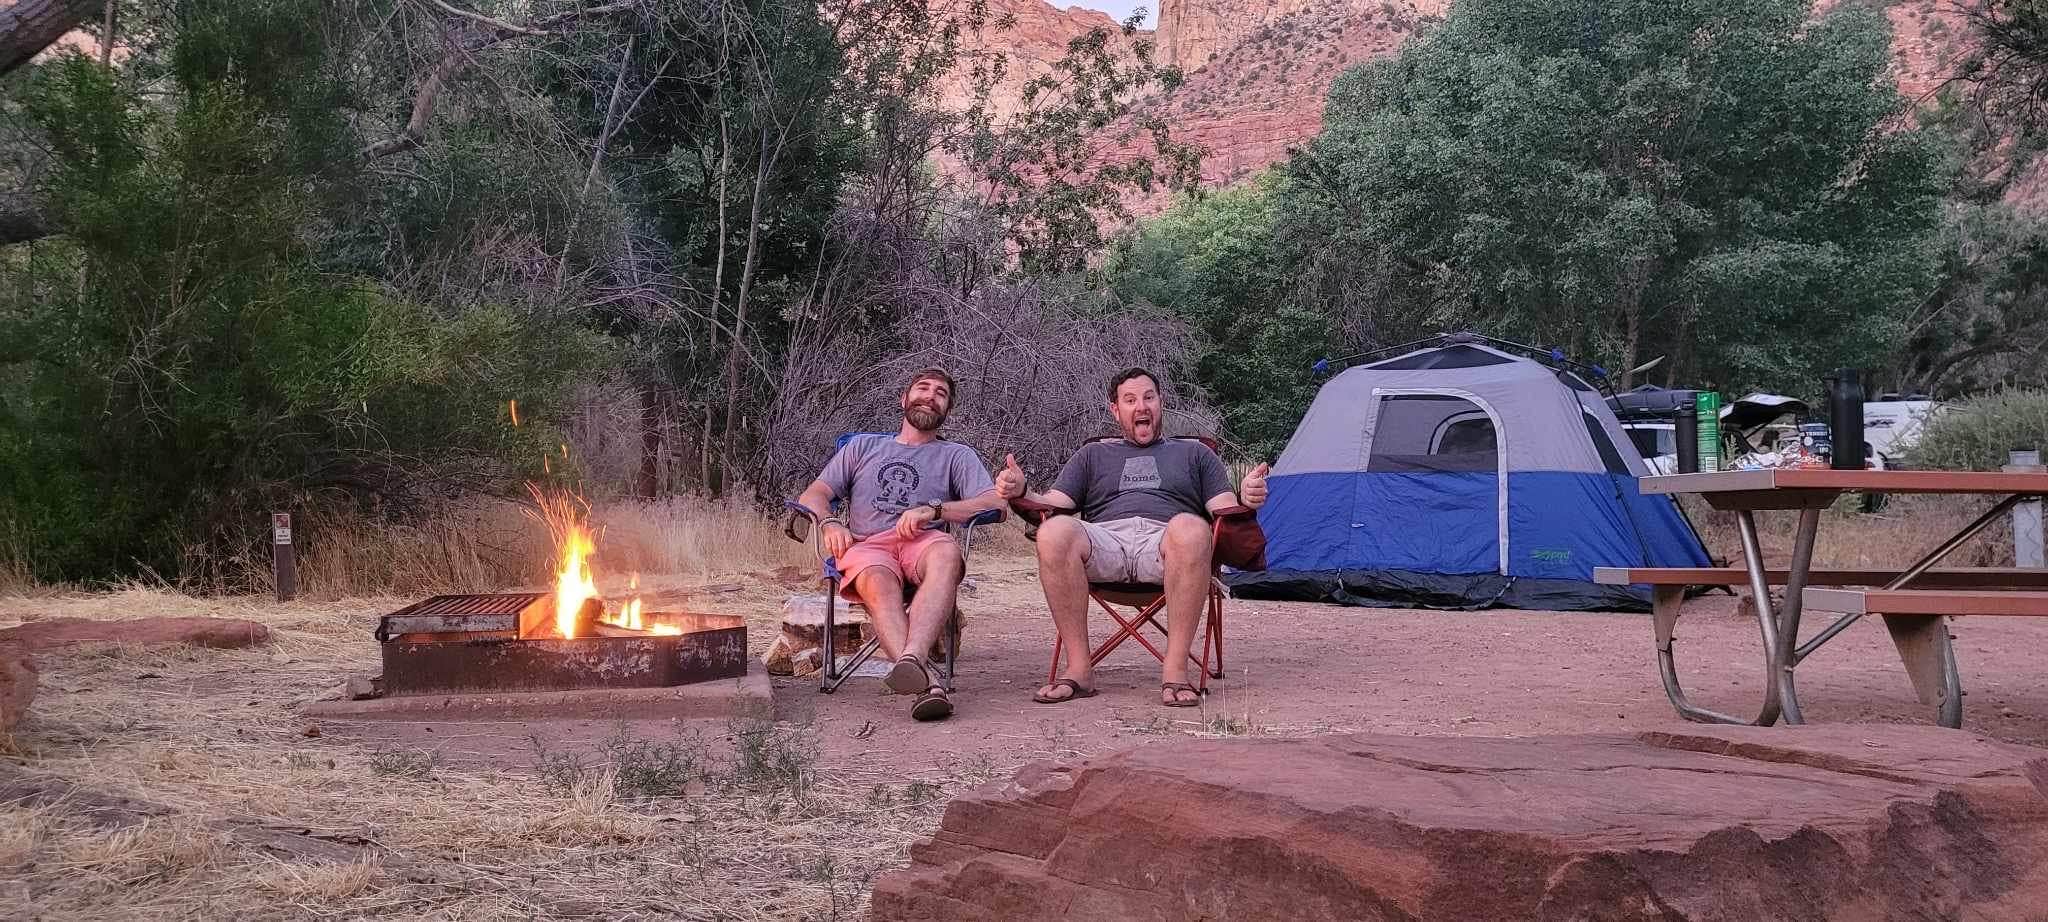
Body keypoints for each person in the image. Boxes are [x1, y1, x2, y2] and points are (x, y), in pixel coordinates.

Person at [996, 368, 1268, 707]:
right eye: (1130, 400)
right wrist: (1022, 490)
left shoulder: (1196, 454)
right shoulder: (1092, 455)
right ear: (1116, 410)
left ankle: (1176, 671)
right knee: (1054, 531)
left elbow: (1224, 510)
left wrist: (1245, 497)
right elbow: (1051, 505)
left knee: (1192, 527)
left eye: (1149, 397)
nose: (1141, 406)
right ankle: (1079, 670)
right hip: (1106, 542)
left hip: (1167, 544)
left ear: (1161, 403)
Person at [795, 367, 1004, 721]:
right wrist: (829, 521)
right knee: (878, 581)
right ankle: (927, 686)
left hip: (923, 542)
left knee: (947, 553)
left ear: (947, 409)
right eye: (922, 388)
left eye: (940, 393)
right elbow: (814, 493)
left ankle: (911, 662)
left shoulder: (956, 455)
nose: (930, 395)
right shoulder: (862, 447)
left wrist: (936, 509)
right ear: (903, 399)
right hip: (867, 546)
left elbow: (995, 505)